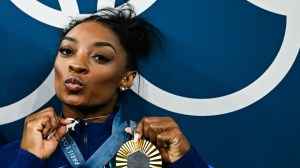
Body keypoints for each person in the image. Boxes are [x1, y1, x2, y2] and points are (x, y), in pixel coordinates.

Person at [0, 6, 211, 168]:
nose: (76, 64)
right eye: (67, 51)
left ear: (126, 79)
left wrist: (186, 160)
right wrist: (27, 159)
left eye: (100, 57)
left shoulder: (156, 155)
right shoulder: (14, 155)